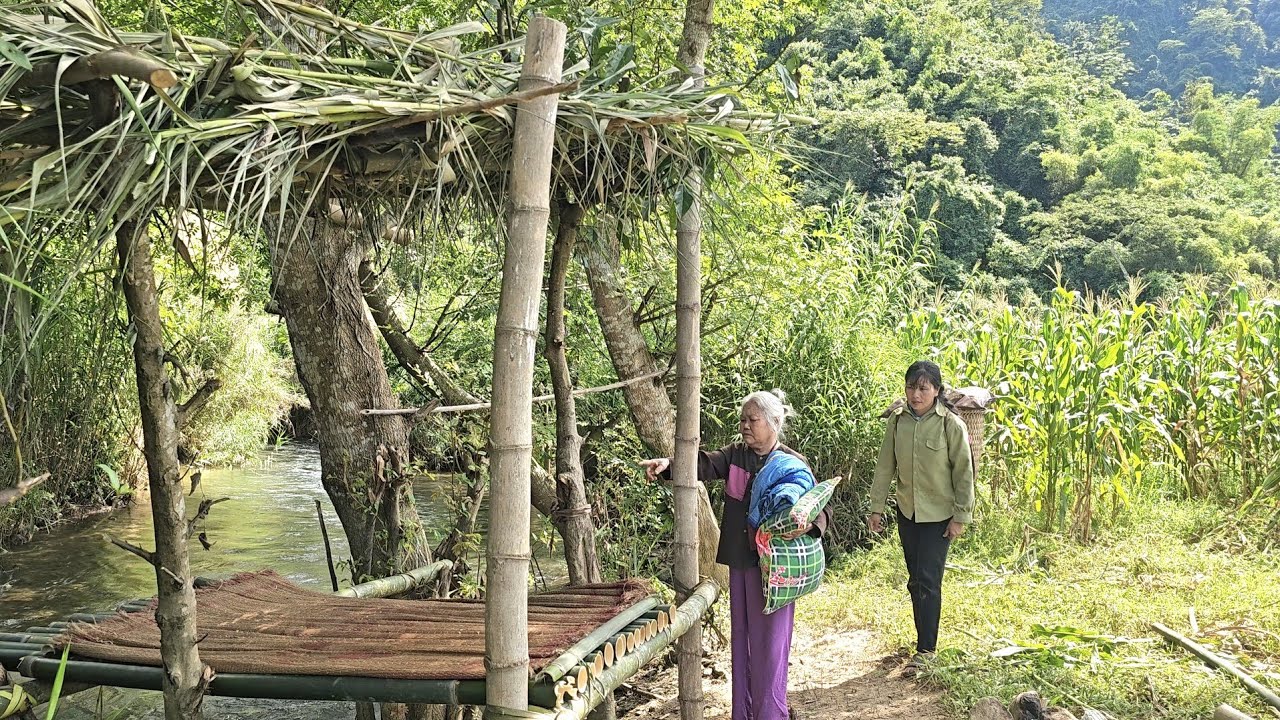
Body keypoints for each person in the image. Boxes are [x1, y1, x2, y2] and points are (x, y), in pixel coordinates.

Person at [640, 389, 830, 720]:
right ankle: (743, 713)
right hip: (742, 563)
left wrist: (810, 526)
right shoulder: (736, 456)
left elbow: (818, 505)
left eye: (752, 420)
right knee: (742, 643)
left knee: (770, 646)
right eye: (742, 419)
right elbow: (704, 464)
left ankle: (772, 713)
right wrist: (669, 466)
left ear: (775, 422)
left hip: (776, 570)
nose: (745, 425)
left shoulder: (792, 464)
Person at [868, 360, 975, 667]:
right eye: (911, 387)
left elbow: (964, 474)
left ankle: (927, 651)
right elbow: (885, 466)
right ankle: (921, 642)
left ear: (936, 391)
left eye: (923, 388)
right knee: (915, 580)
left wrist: (960, 517)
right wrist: (877, 508)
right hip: (908, 512)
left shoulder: (950, 425)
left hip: (939, 515)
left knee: (929, 580)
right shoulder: (898, 421)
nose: (915, 394)